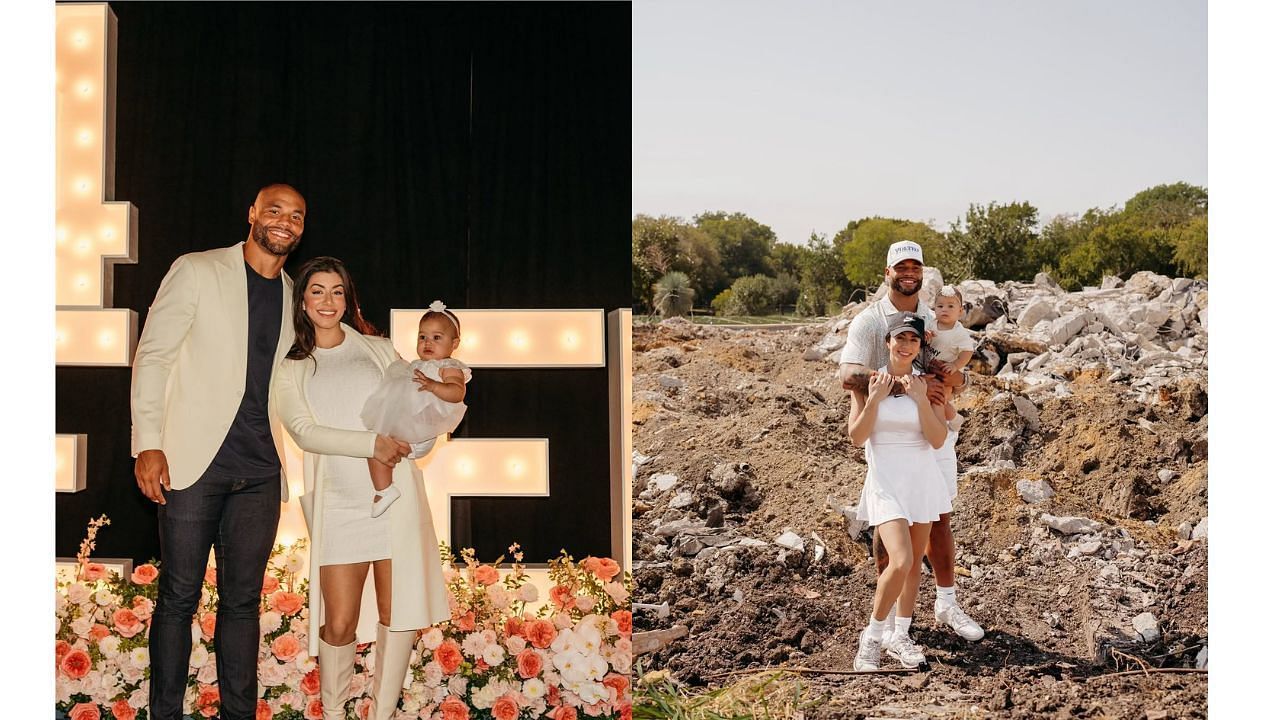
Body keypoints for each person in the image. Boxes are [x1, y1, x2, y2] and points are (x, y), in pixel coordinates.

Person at [130, 183, 305, 720]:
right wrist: (148, 443)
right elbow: (154, 356)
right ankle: (165, 713)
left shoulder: (295, 293)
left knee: (243, 605)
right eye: (274, 210)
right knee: (178, 597)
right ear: (251, 213)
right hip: (190, 462)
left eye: (296, 216)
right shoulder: (198, 269)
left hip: (259, 470)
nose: (284, 221)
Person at [273, 256, 450, 720]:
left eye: (336, 291)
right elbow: (303, 431)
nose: (327, 301)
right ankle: (333, 712)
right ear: (303, 300)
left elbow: (414, 409)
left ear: (347, 297)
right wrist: (372, 443)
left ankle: (382, 712)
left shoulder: (378, 348)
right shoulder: (290, 365)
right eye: (317, 290)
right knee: (340, 621)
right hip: (340, 503)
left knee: (399, 614)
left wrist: (413, 441)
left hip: (395, 498)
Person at [838, 240, 984, 643]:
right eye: (900, 267)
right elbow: (847, 375)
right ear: (887, 272)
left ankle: (946, 602)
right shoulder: (871, 322)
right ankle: (885, 622)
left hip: (932, 431)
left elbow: (961, 374)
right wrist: (905, 386)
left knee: (939, 518)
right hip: (890, 436)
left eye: (915, 267)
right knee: (891, 531)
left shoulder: (932, 316)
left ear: (922, 273)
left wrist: (951, 380)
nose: (908, 273)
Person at [847, 312, 951, 670]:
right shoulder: (868, 383)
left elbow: (938, 440)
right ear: (888, 342)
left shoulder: (928, 386)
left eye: (913, 340)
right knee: (901, 559)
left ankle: (901, 636)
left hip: (921, 482)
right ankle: (873, 637)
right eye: (900, 338)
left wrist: (921, 399)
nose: (906, 346)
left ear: (919, 345)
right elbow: (857, 437)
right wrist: (875, 398)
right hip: (886, 482)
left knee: (912, 568)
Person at [359, 300, 470, 517]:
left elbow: (457, 392)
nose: (428, 342)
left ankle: (384, 490)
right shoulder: (415, 365)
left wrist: (434, 385)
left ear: (454, 343)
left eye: (437, 337)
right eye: (422, 337)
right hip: (407, 427)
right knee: (374, 446)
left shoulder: (448, 367)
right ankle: (385, 489)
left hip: (420, 435)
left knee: (375, 449)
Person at [928, 284, 975, 430]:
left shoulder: (958, 332)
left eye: (950, 306)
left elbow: (967, 351)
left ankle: (954, 420)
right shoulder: (931, 324)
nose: (944, 310)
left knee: (939, 400)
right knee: (929, 398)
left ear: (960, 311)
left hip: (944, 372)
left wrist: (955, 365)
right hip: (929, 369)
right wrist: (925, 337)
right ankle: (936, 423)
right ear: (934, 309)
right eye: (940, 306)